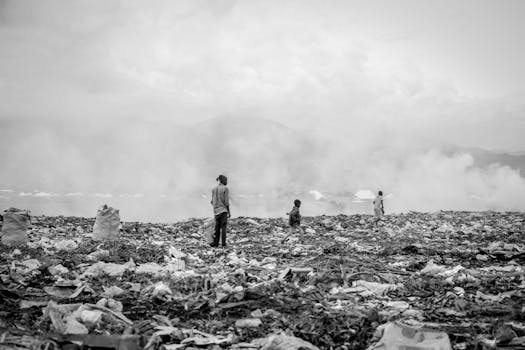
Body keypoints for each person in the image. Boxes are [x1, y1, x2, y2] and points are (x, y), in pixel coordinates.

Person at [210, 175, 230, 247]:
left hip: (216, 211)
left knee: (217, 228)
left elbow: (212, 202)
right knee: (223, 228)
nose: (227, 182)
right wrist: (228, 212)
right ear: (223, 180)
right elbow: (226, 202)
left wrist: (216, 207)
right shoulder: (225, 188)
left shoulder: (214, 189)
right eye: (226, 180)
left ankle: (216, 243)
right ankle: (223, 243)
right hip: (223, 211)